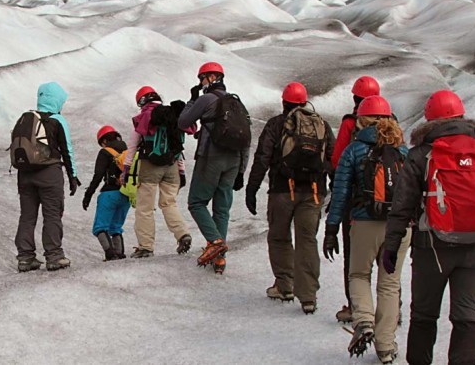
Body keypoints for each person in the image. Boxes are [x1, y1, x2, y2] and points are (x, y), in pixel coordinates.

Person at [382, 90, 475, 365]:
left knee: (424, 315)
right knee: (466, 314)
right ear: (461, 115)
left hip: (432, 248)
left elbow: (401, 207)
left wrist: (391, 246)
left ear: (429, 120)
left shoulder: (420, 155)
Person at [323, 96, 409, 364]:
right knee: (390, 285)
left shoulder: (354, 149)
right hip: (400, 226)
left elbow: (340, 193)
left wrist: (331, 227)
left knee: (359, 274)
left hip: (363, 223)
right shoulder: (403, 150)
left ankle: (364, 321)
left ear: (361, 119)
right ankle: (386, 346)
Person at [246, 82, 335, 314]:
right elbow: (333, 159)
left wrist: (252, 188)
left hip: (282, 190)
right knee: (307, 240)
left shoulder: (277, 124)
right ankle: (308, 297)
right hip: (314, 191)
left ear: (284, 102)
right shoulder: (322, 125)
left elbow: (262, 156)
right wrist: (335, 189)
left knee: (279, 237)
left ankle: (285, 285)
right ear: (305, 101)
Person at [178, 62, 252, 275]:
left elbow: (183, 121)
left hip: (211, 157)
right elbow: (246, 138)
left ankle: (215, 241)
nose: (200, 83)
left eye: (202, 79)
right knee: (221, 208)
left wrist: (192, 100)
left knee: (197, 202)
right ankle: (219, 260)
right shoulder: (238, 103)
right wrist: (241, 172)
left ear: (210, 77)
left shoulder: (206, 99)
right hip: (234, 160)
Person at [12, 82, 79, 272]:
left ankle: (25, 258)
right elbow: (67, 150)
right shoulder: (57, 120)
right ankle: (54, 256)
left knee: (27, 216)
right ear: (56, 100)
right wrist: (72, 176)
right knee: (51, 215)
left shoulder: (27, 119)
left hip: (25, 175)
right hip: (49, 174)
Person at [119, 87, 193, 260]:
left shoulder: (145, 117)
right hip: (172, 165)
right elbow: (178, 146)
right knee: (169, 203)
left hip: (150, 166)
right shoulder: (172, 115)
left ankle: (145, 247)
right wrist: (181, 171)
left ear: (142, 101)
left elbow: (132, 146)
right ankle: (182, 234)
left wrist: (127, 170)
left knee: (145, 208)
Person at [331, 76, 381, 324]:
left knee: (354, 260)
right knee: (387, 263)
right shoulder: (393, 126)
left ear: (355, 99)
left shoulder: (351, 124)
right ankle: (391, 308)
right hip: (392, 207)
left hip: (357, 203)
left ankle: (355, 306)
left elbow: (337, 159)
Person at [82, 125, 131, 261]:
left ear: (104, 141)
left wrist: (88, 195)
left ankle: (110, 254)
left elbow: (98, 176)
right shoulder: (129, 151)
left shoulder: (105, 152)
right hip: (126, 194)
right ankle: (120, 254)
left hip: (109, 194)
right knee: (116, 227)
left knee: (100, 227)